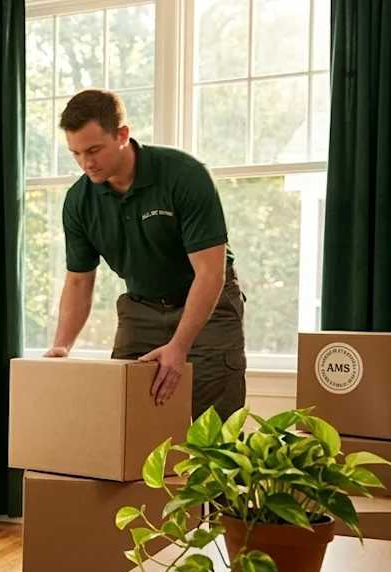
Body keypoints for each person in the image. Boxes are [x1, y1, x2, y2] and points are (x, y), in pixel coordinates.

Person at [45, 88, 247, 420]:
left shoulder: (184, 175)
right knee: (125, 422)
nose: (86, 163)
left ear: (123, 135)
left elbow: (211, 274)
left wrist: (179, 347)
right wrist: (63, 345)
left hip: (208, 306)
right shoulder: (79, 202)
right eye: (76, 153)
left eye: (94, 149)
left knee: (214, 428)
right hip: (140, 309)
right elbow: (80, 282)